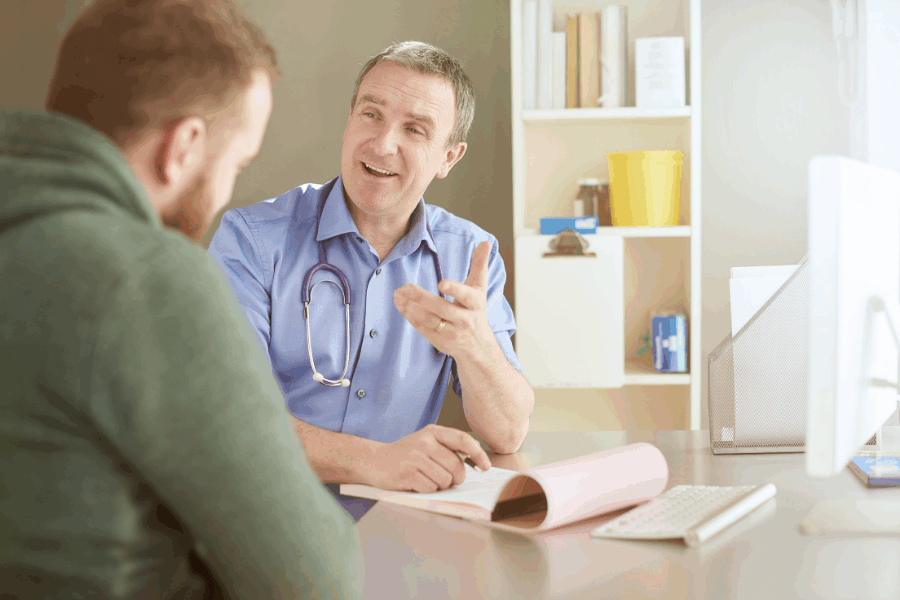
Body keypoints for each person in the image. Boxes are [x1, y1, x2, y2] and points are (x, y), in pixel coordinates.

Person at [0, 1, 362, 598]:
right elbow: (316, 580)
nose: (228, 191)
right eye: (237, 161)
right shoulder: (146, 279)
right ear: (183, 147)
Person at [209, 41, 536, 520]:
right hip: (265, 517)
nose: (383, 144)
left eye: (415, 129)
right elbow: (229, 419)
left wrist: (475, 346)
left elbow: (509, 432)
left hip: (399, 522)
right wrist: (378, 462)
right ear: (348, 122)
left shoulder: (469, 255)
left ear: (449, 157)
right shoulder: (252, 240)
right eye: (371, 114)